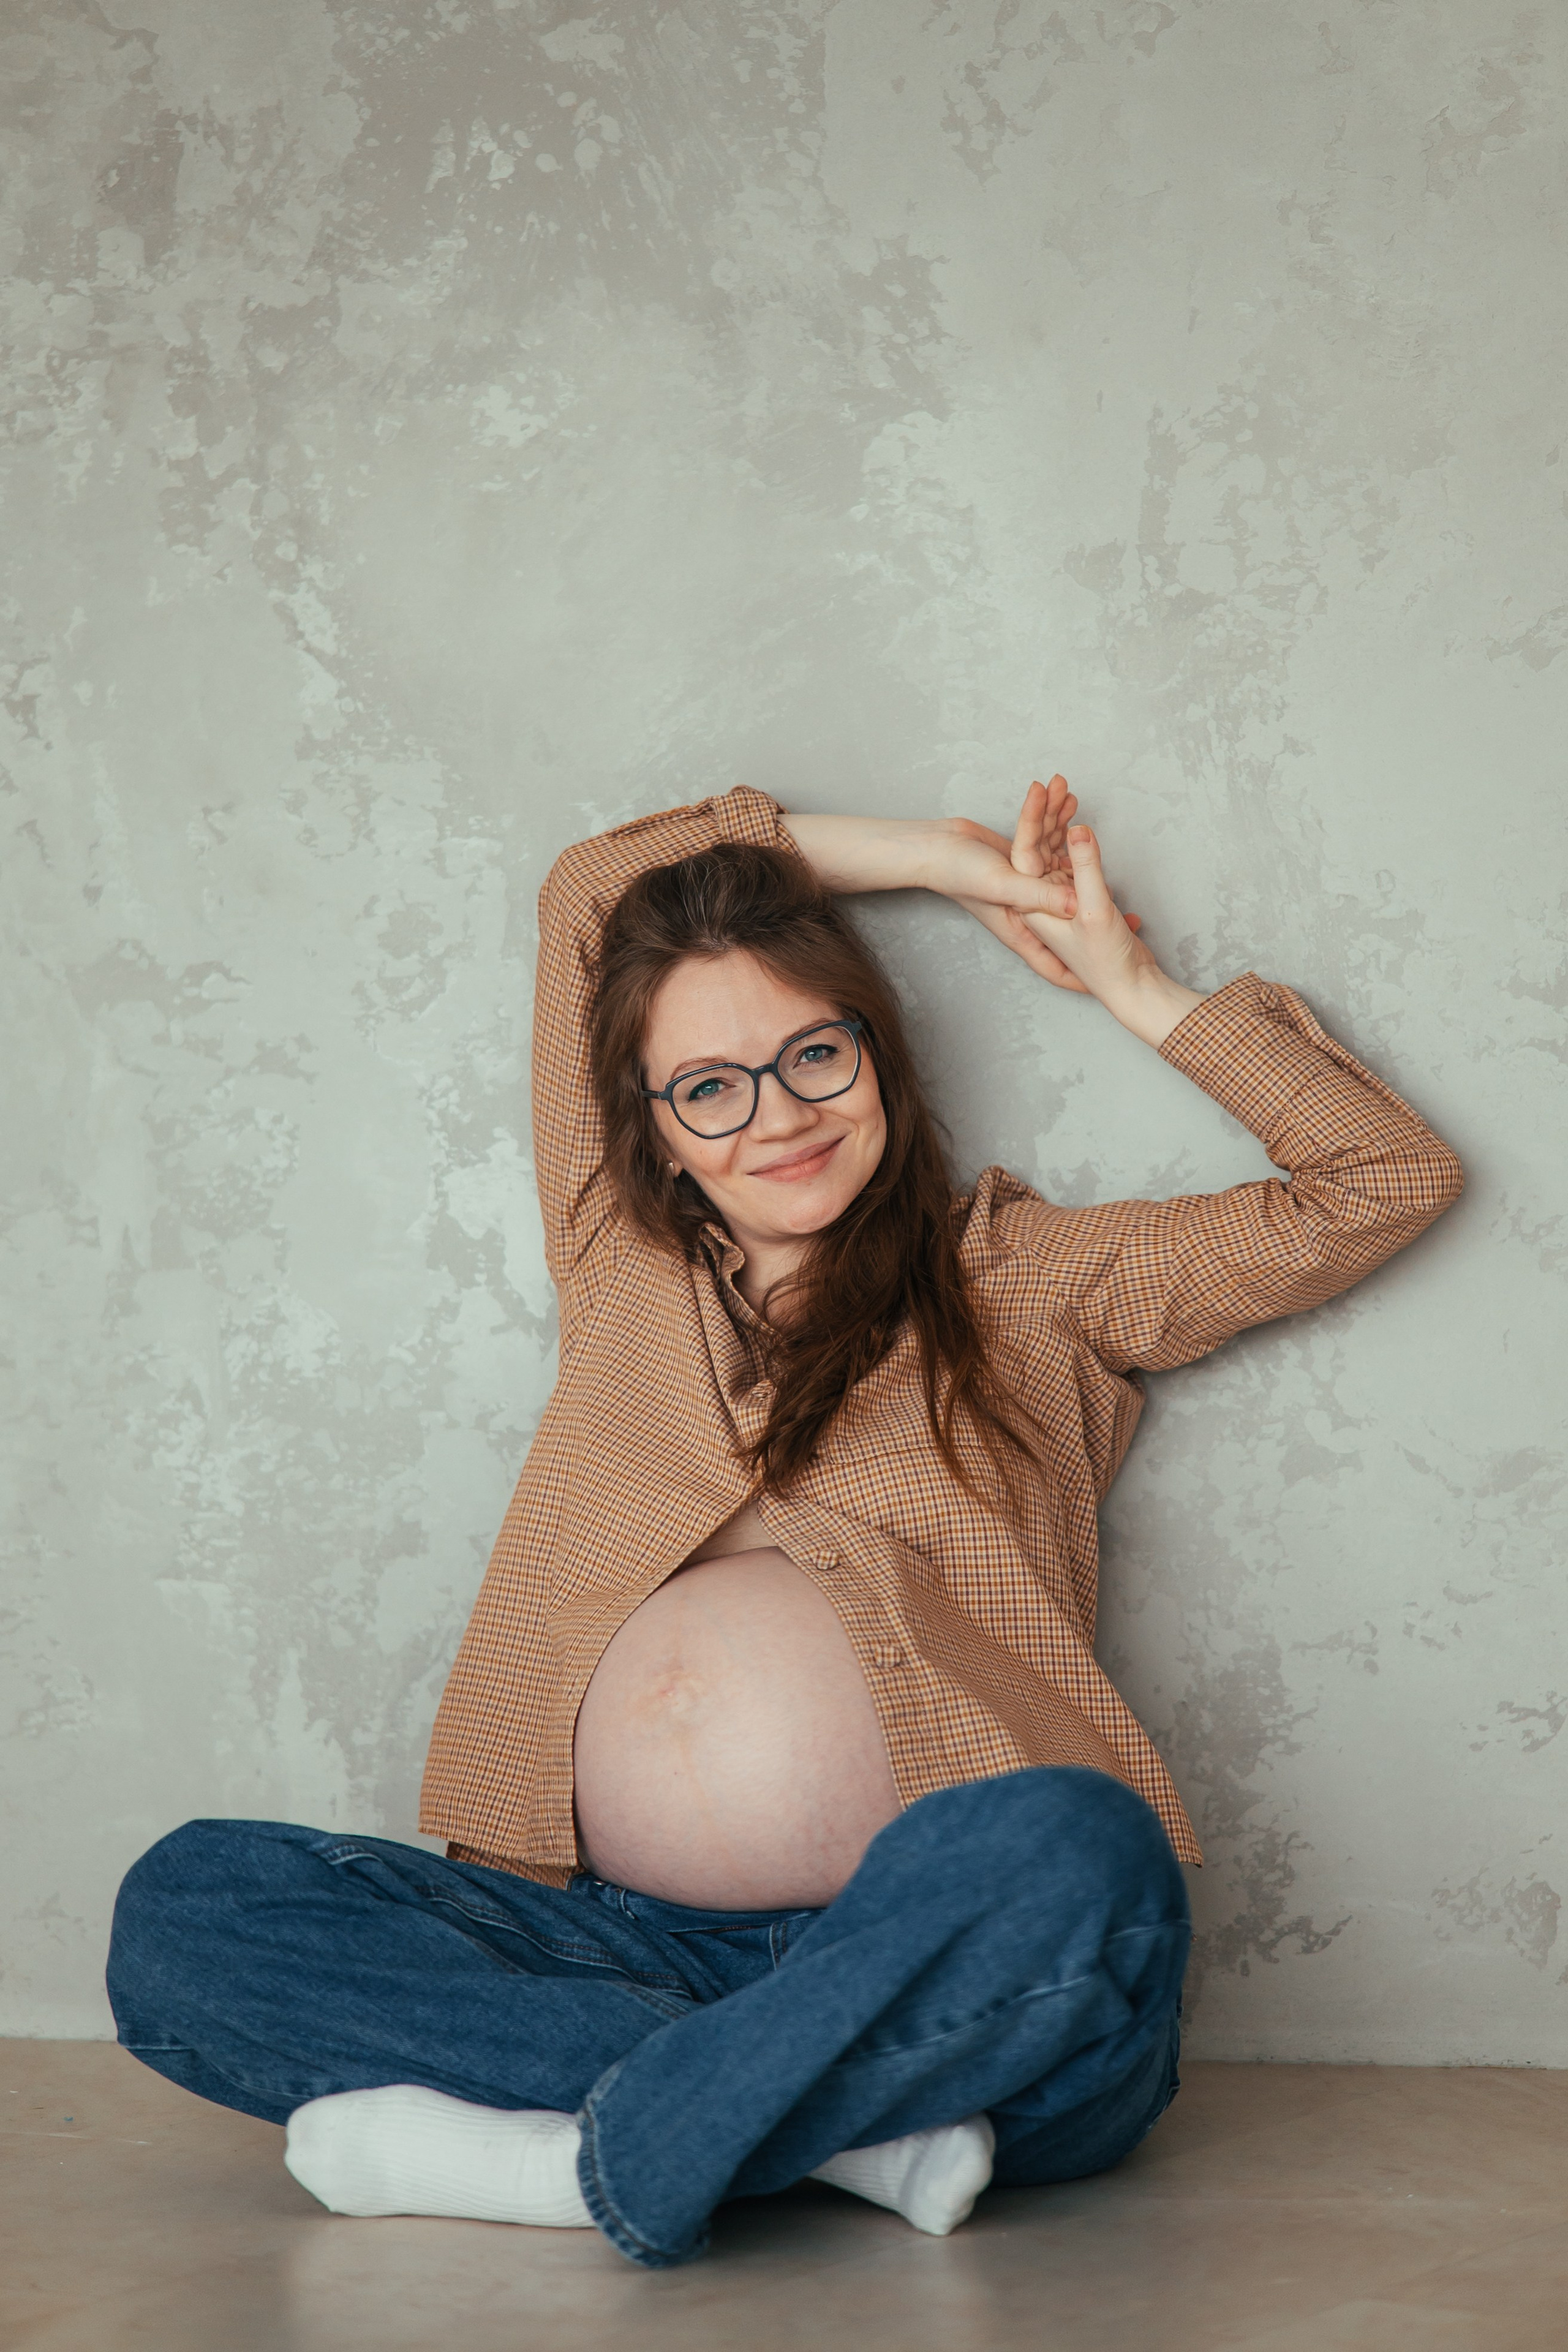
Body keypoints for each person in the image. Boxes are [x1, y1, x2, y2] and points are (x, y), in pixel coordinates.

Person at [107, 778, 1462, 2268]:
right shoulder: (618, 1266)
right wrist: (942, 864)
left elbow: (1379, 1183)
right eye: (712, 1086)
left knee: (1082, 1851)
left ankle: (573, 2152)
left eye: (814, 1054)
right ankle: (842, 2132)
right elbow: (588, 890)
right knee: (189, 1909)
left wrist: (1125, 978)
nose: (779, 1116)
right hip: (601, 1945)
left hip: (923, 1951)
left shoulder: (1026, 1279)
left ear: (874, 1051)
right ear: (656, 1127)